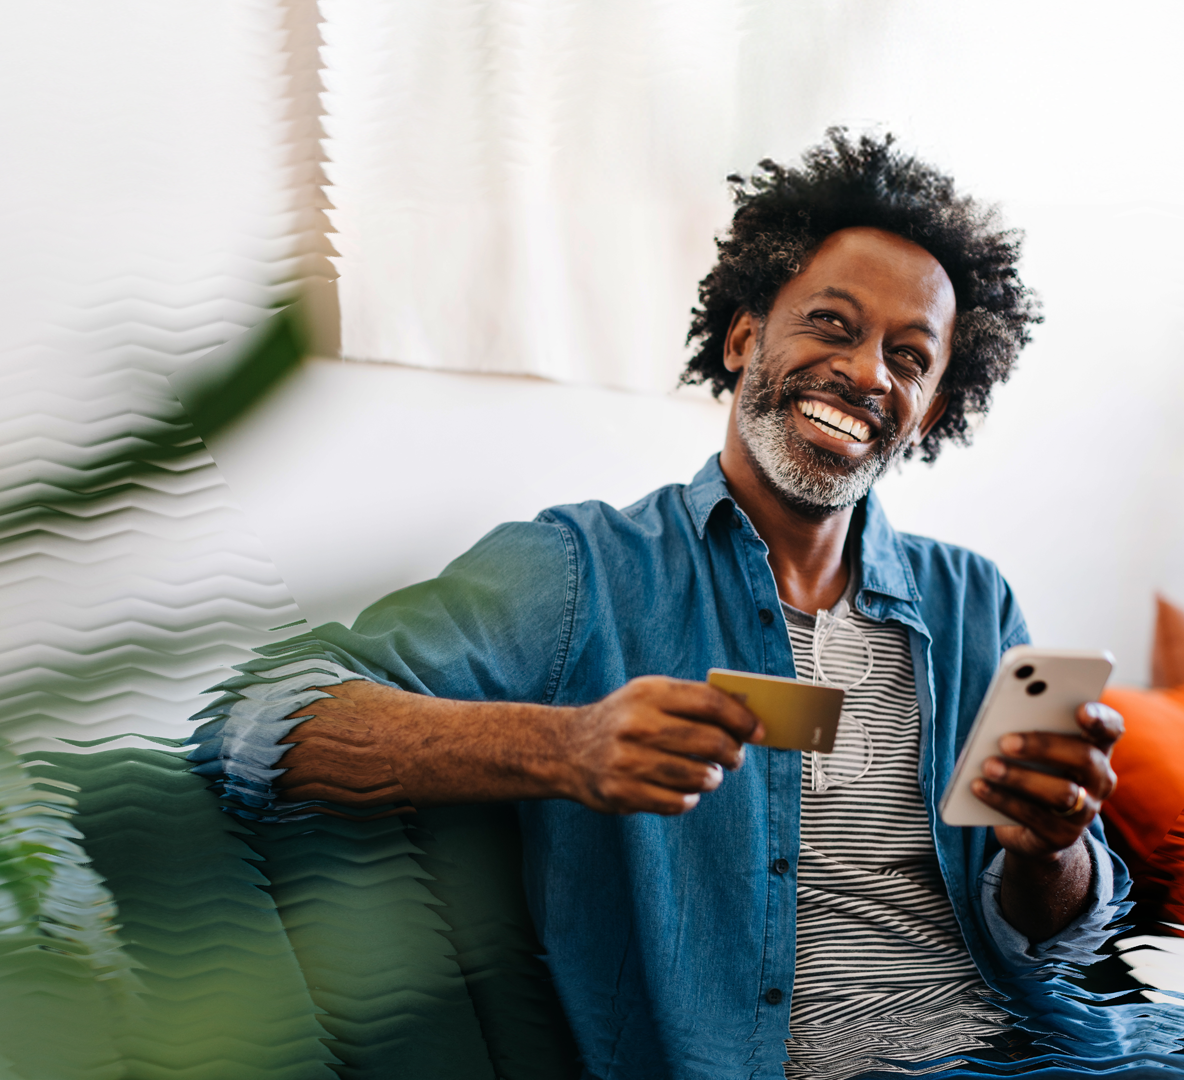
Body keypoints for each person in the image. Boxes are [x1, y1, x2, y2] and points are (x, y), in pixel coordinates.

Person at [189, 129, 1130, 1079]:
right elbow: (260, 717)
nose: (867, 373)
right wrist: (565, 748)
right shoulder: (578, 572)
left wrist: (1054, 851)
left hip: (1042, 1052)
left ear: (930, 408)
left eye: (910, 356)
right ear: (745, 336)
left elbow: (1050, 943)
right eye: (833, 326)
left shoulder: (972, 598)